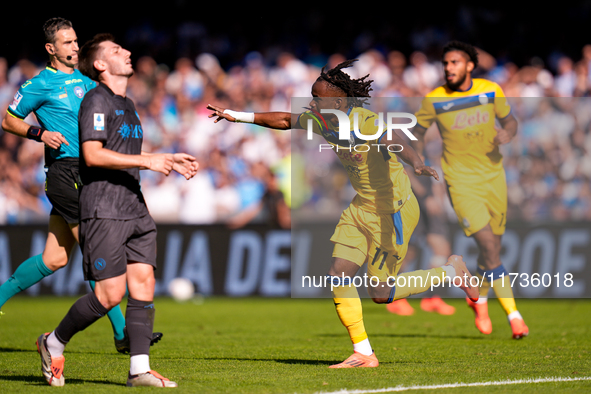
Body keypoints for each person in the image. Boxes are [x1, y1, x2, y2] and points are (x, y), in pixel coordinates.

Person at [207, 59, 479, 368]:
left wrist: (415, 162)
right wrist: (236, 116)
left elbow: (393, 138)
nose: (311, 102)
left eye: (317, 97)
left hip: (393, 211)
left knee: (380, 292)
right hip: (361, 206)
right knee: (339, 272)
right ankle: (363, 353)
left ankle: (451, 273)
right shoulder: (322, 120)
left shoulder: (362, 121)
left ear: (338, 101)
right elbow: (284, 120)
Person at [36, 33, 198, 387]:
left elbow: (129, 156)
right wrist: (150, 160)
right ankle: (53, 342)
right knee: (110, 294)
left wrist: (165, 158)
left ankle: (139, 369)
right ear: (100, 64)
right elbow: (92, 155)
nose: (126, 53)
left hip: (134, 205)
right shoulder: (96, 100)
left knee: (144, 282)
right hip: (103, 207)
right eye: (116, 51)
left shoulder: (128, 104)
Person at [0, 17, 162, 353]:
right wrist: (39, 133)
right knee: (95, 249)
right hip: (65, 173)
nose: (75, 47)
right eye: (67, 42)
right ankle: (122, 335)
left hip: (89, 172)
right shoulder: (38, 85)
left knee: (54, 259)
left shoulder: (89, 83)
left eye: (76, 41)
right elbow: (9, 120)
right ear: (51, 49)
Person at [412, 41, 528, 339]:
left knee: (492, 253)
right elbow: (418, 133)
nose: (448, 67)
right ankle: (514, 317)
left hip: (494, 178)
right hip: (461, 183)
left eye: (454, 62)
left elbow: (511, 120)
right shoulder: (434, 99)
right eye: (445, 63)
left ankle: (479, 300)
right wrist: (416, 160)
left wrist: (508, 132)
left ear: (469, 66)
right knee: (489, 247)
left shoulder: (490, 90)